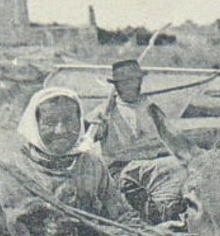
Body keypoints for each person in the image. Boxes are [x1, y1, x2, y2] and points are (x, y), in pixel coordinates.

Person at [16, 86, 136, 223]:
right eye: (50, 122)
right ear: (35, 125)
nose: (61, 131)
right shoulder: (19, 169)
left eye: (69, 121)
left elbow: (120, 213)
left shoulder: (91, 163)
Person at [90, 58, 170, 172]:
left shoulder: (152, 108)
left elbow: (167, 140)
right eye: (124, 82)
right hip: (119, 167)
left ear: (140, 81)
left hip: (151, 165)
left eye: (133, 80)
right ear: (116, 85)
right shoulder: (105, 111)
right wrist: (93, 124)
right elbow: (88, 138)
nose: (129, 85)